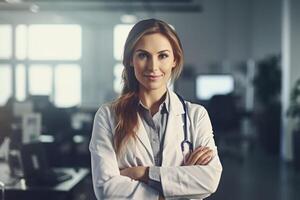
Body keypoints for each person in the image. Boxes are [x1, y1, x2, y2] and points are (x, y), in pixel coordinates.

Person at [89, 18, 222, 200]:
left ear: (175, 60)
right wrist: (176, 188)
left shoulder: (196, 116)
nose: (153, 67)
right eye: (143, 55)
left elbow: (209, 180)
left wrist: (143, 173)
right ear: (130, 60)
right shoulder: (108, 116)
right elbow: (106, 189)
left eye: (163, 56)